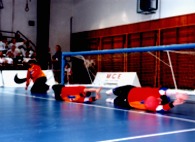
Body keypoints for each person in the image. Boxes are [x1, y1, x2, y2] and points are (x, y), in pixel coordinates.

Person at [106, 85, 188, 112]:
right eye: (160, 99)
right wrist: (177, 93)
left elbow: (163, 108)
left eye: (160, 102)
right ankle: (112, 91)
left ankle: (112, 100)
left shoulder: (155, 105)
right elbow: (166, 91)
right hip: (131, 90)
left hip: (128, 102)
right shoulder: (158, 92)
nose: (159, 101)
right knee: (118, 90)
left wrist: (174, 103)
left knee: (117, 101)